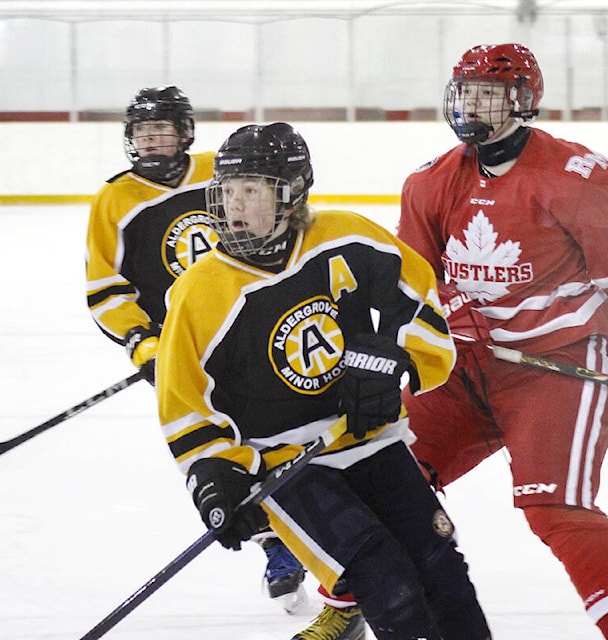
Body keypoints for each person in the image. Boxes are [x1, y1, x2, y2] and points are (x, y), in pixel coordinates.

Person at [154, 122, 493, 640]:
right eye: (226, 191)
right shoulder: (199, 292)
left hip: (370, 441)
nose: (234, 205)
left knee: (443, 571)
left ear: (290, 195)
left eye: (251, 190)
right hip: (288, 467)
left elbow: (424, 303)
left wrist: (397, 361)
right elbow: (184, 404)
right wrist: (213, 474)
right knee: (387, 579)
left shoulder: (347, 236)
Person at [396, 43, 608, 640]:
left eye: (488, 93)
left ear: (522, 99)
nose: (471, 104)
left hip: (557, 371)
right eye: (466, 91)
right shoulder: (428, 183)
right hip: (461, 372)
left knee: (553, 506)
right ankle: (344, 605)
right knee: (385, 479)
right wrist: (445, 307)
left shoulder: (580, 177)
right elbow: (411, 279)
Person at [84, 86, 308, 614]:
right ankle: (275, 542)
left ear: (185, 132)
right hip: (189, 345)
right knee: (223, 444)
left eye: (161, 129)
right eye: (142, 132)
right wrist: (143, 342)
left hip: (257, 325)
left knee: (283, 429)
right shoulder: (115, 199)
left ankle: (304, 536)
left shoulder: (221, 169)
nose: (151, 140)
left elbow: (285, 214)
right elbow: (106, 288)